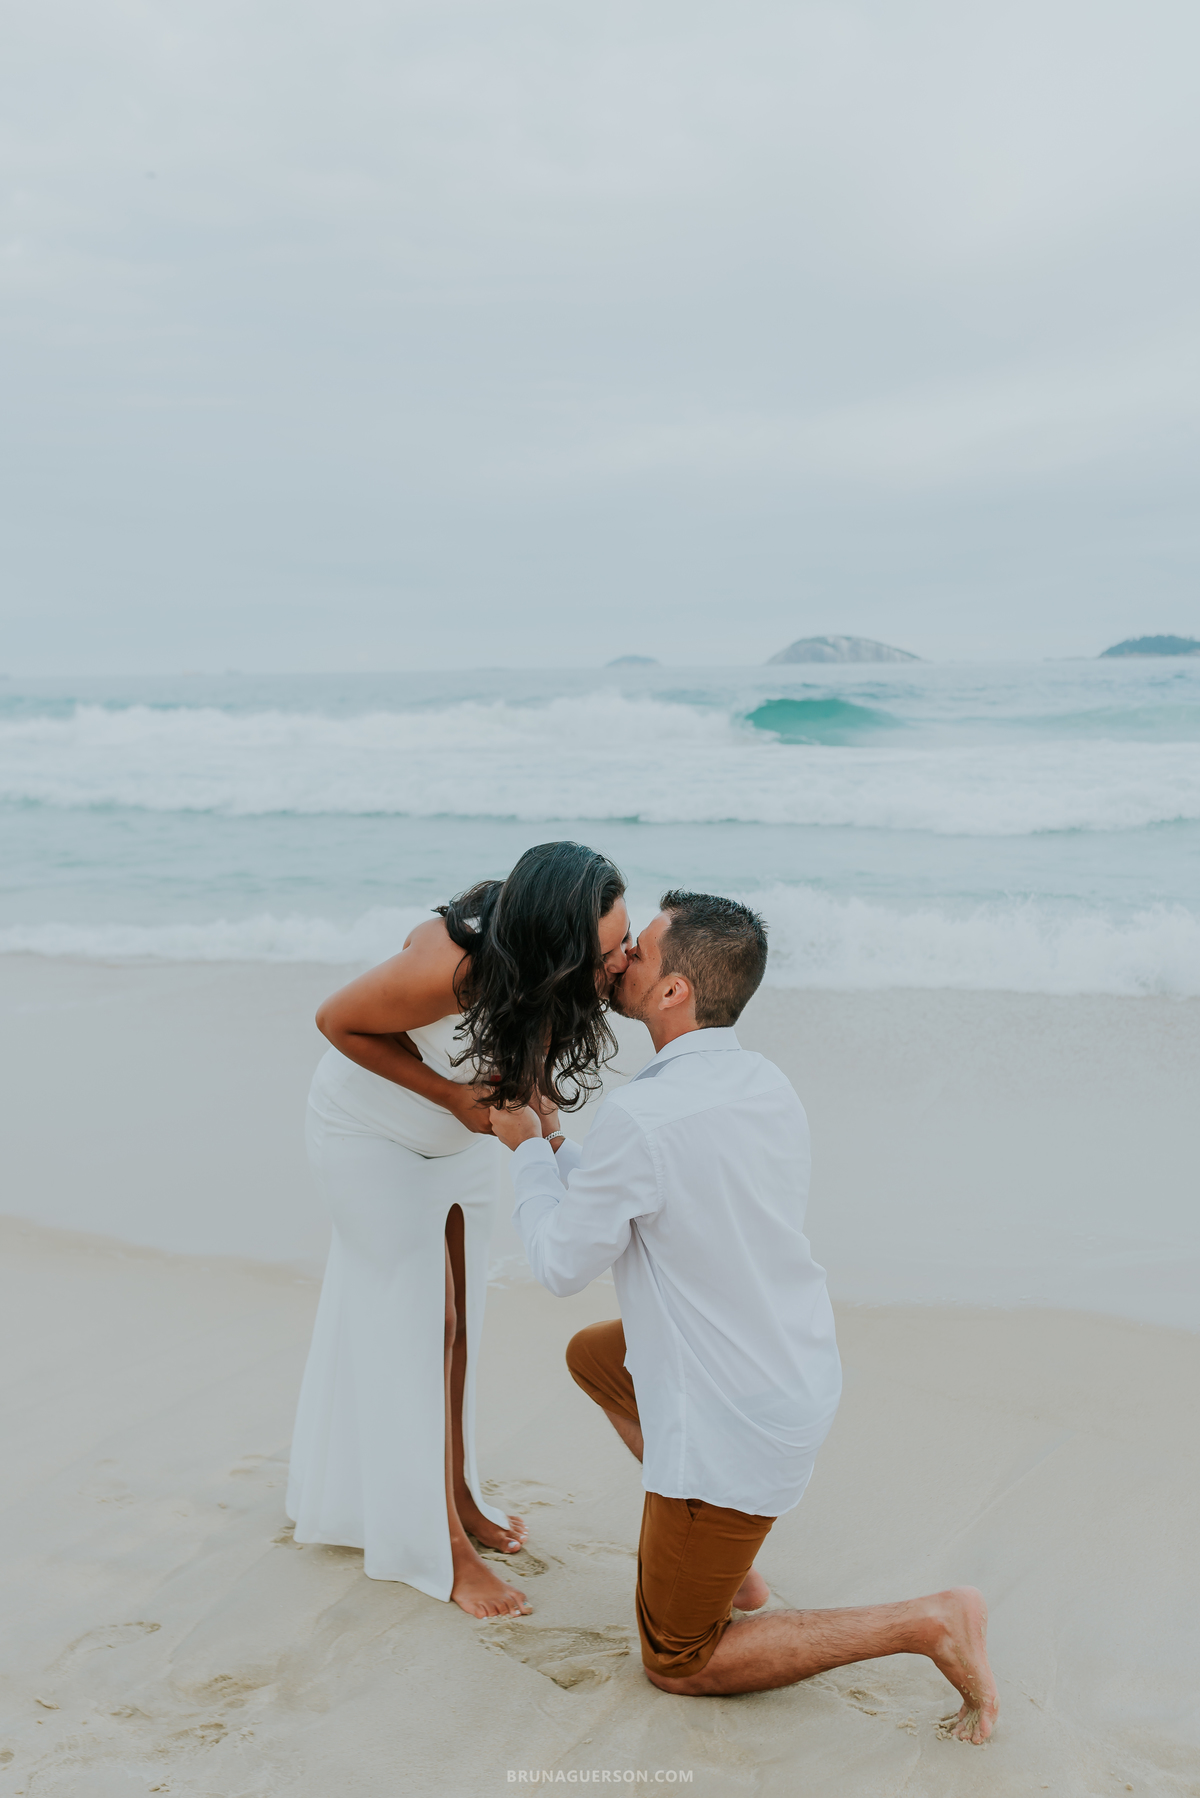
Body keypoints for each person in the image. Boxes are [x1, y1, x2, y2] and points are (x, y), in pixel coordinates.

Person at [492, 891, 999, 1742]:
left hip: (732, 1416)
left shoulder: (643, 1119)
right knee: (597, 1357)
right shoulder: (762, 1082)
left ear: (674, 994)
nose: (618, 960)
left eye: (638, 953)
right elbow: (655, 1189)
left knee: (680, 1660)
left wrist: (523, 1157)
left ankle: (929, 1620)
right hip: (789, 1363)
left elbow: (559, 1263)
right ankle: (738, 1569)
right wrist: (553, 1141)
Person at [285, 842, 631, 1620]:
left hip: (457, 1137)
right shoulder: (450, 965)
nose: (622, 961)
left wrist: (543, 1121)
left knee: (461, 1319)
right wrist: (448, 1096)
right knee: (420, 1321)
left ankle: (460, 1495)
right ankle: (436, 1546)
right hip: (369, 1132)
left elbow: (525, 1047)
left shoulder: (541, 972)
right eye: (609, 950)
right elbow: (336, 1021)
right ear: (559, 942)